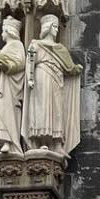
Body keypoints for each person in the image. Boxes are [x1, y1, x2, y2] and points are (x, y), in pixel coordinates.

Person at [25, 14, 82, 156]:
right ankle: (43, 141)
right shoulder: (36, 45)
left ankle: (57, 144)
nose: (56, 31)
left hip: (56, 79)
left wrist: (76, 69)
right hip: (42, 76)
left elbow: (69, 67)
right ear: (47, 28)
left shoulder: (60, 48)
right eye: (54, 27)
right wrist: (30, 78)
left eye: (57, 27)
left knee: (57, 109)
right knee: (43, 109)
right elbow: (30, 63)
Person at [0, 18, 26, 155]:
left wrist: (1, 61)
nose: (1, 35)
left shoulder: (17, 45)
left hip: (10, 89)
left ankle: (11, 142)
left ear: (9, 31)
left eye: (3, 31)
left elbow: (20, 63)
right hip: (2, 86)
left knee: (6, 111)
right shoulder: (6, 47)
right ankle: (4, 141)